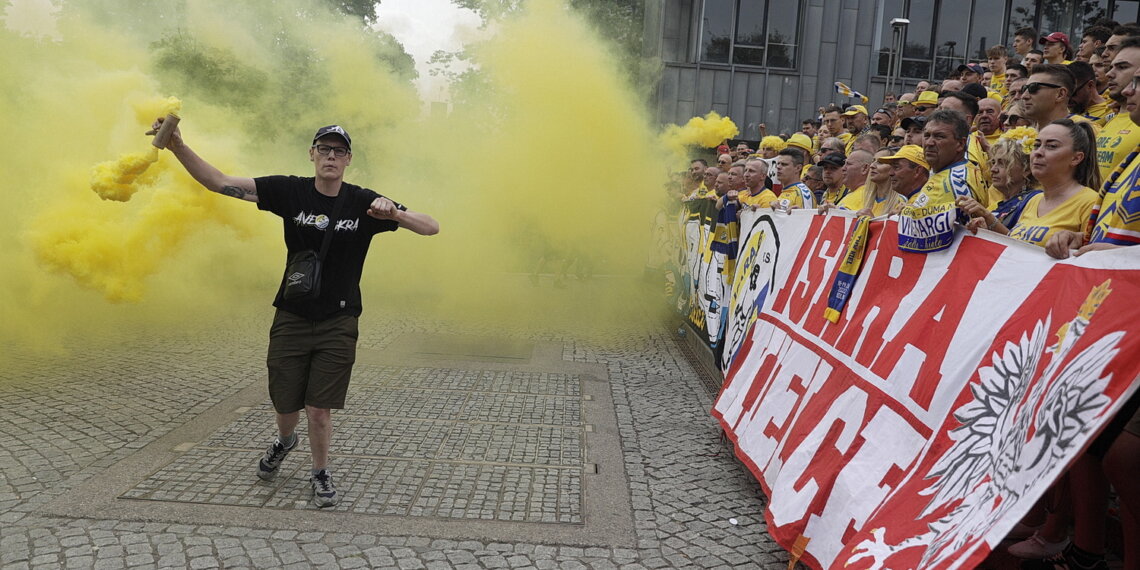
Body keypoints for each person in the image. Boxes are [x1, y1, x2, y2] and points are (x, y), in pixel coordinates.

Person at [148, 119, 439, 508]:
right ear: (312, 154)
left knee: (319, 409)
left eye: (338, 151)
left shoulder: (363, 201)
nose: (331, 156)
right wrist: (178, 146)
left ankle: (319, 472)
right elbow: (219, 182)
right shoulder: (289, 191)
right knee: (286, 404)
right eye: (324, 149)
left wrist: (395, 214)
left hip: (339, 320)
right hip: (291, 316)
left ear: (348, 159)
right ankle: (285, 440)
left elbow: (431, 227)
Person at [961, 120, 1099, 248]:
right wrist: (986, 230)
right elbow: (1017, 248)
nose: (1038, 152)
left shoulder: (1090, 202)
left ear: (1076, 158)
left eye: (1051, 146)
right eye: (1037, 145)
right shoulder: (1033, 201)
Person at [897, 110, 988, 252]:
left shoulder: (956, 181)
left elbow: (967, 236)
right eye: (926, 135)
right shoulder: (946, 172)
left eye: (939, 137)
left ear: (960, 144)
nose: (929, 142)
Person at [958, 134, 1040, 232]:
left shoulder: (1036, 200)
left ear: (1026, 169)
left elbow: (1023, 245)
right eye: (993, 163)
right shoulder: (994, 207)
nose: (993, 169)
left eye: (1002, 163)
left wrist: (988, 217)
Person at [1019, 63, 1078, 127]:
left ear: (1060, 94)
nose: (1024, 96)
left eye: (1033, 88)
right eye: (1024, 88)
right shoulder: (1023, 132)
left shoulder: (1082, 130)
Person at [1069, 61, 1111, 126]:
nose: (1068, 99)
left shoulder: (1110, 110)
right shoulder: (1063, 110)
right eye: (1065, 94)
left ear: (1090, 85)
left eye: (1073, 93)